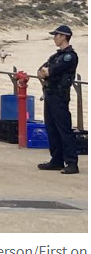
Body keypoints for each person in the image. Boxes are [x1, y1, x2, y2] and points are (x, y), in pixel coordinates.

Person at [37, 25, 80, 175]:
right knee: (51, 128)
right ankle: (56, 160)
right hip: (49, 94)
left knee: (64, 129)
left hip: (60, 96)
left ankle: (72, 162)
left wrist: (47, 72)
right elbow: (40, 71)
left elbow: (51, 71)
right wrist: (45, 72)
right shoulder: (55, 56)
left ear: (64, 36)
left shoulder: (69, 56)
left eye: (56, 35)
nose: (54, 38)